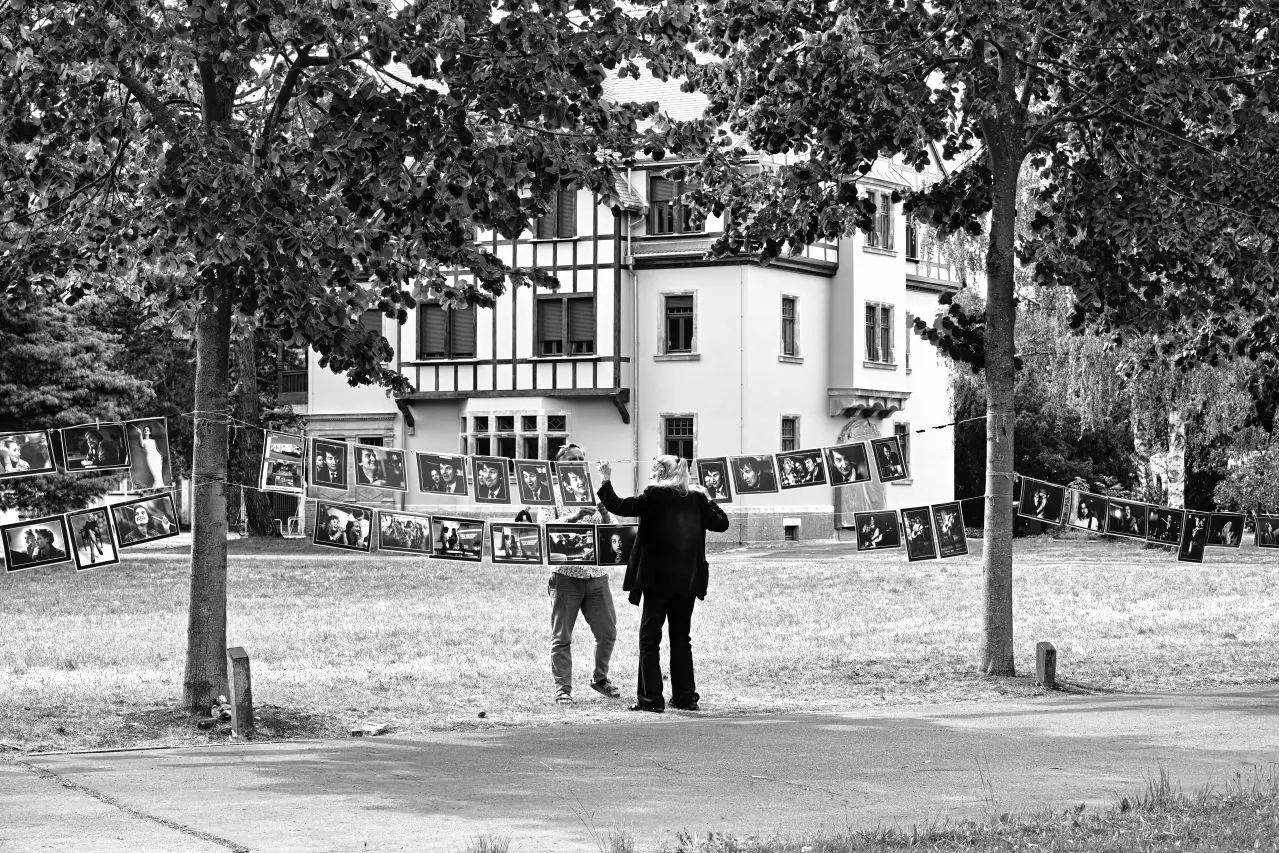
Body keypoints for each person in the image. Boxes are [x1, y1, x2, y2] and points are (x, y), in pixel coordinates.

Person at [597, 455, 730, 713]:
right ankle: (685, 697)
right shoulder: (698, 499)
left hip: (657, 581)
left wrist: (605, 478)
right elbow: (722, 523)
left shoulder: (654, 496)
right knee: (681, 638)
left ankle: (651, 699)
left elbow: (618, 506)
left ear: (660, 473)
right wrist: (708, 497)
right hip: (687, 581)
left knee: (649, 638)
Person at [538, 443, 619, 704]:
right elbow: (544, 529)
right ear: (559, 464)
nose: (578, 461)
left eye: (582, 458)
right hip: (565, 577)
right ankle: (563, 689)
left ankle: (599, 679)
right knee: (562, 636)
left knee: (607, 633)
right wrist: (573, 517)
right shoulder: (550, 496)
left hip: (596, 576)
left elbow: (614, 530)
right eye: (572, 458)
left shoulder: (594, 494)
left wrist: (606, 515)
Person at [130, 423, 167, 488]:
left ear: (150, 432)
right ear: (144, 432)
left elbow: (157, 449)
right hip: (150, 457)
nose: (146, 430)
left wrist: (161, 456)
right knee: (155, 475)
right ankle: (157, 487)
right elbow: (141, 445)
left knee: (159, 475)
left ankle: (159, 487)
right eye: (145, 429)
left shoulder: (153, 441)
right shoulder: (143, 441)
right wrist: (140, 434)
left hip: (157, 457)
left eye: (148, 430)